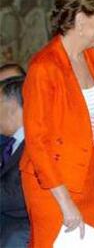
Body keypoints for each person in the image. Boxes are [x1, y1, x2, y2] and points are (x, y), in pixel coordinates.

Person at [20, 0, 94, 247]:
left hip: (91, 177)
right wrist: (65, 203)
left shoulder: (91, 55)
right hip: (52, 184)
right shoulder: (43, 67)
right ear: (81, 20)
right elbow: (37, 143)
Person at [0, 77, 29, 248]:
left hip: (18, 232)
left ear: (12, 105)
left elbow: (22, 194)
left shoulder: (37, 144)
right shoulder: (8, 144)